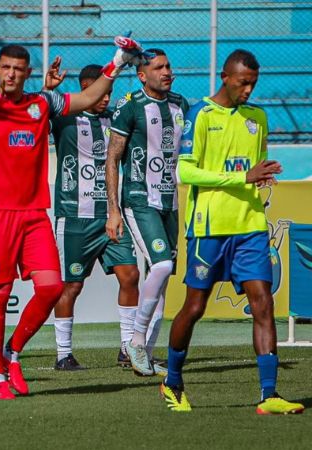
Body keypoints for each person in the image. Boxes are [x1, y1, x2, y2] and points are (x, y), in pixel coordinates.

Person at [0, 24, 148, 399]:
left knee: (52, 287)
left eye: (18, 69)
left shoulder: (42, 104)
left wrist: (117, 61)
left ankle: (11, 352)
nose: (11, 74)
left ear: (27, 73)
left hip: (35, 213)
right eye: (5, 67)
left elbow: (88, 98)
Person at [160, 49, 304, 415]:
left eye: (253, 83)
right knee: (194, 307)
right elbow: (186, 171)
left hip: (251, 226)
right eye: (243, 83)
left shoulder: (258, 117)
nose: (249, 90)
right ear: (226, 77)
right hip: (209, 229)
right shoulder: (202, 114)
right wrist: (243, 176)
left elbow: (254, 168)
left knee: (263, 302)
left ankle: (268, 394)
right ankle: (172, 380)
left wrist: (261, 173)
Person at [48, 64, 139, 370]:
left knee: (130, 275)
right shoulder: (65, 118)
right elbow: (41, 111)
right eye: (97, 91)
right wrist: (49, 89)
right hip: (74, 217)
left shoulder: (115, 120)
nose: (103, 98)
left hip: (111, 216)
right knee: (71, 286)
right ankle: (63, 353)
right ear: (83, 90)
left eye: (108, 92)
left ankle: (127, 348)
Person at [105, 49, 189, 377]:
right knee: (163, 265)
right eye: (159, 67)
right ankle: (135, 341)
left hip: (170, 203)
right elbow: (112, 158)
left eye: (169, 66)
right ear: (143, 75)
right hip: (139, 200)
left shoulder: (181, 105)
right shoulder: (130, 108)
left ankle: (147, 355)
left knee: (163, 279)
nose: (167, 72)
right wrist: (113, 210)